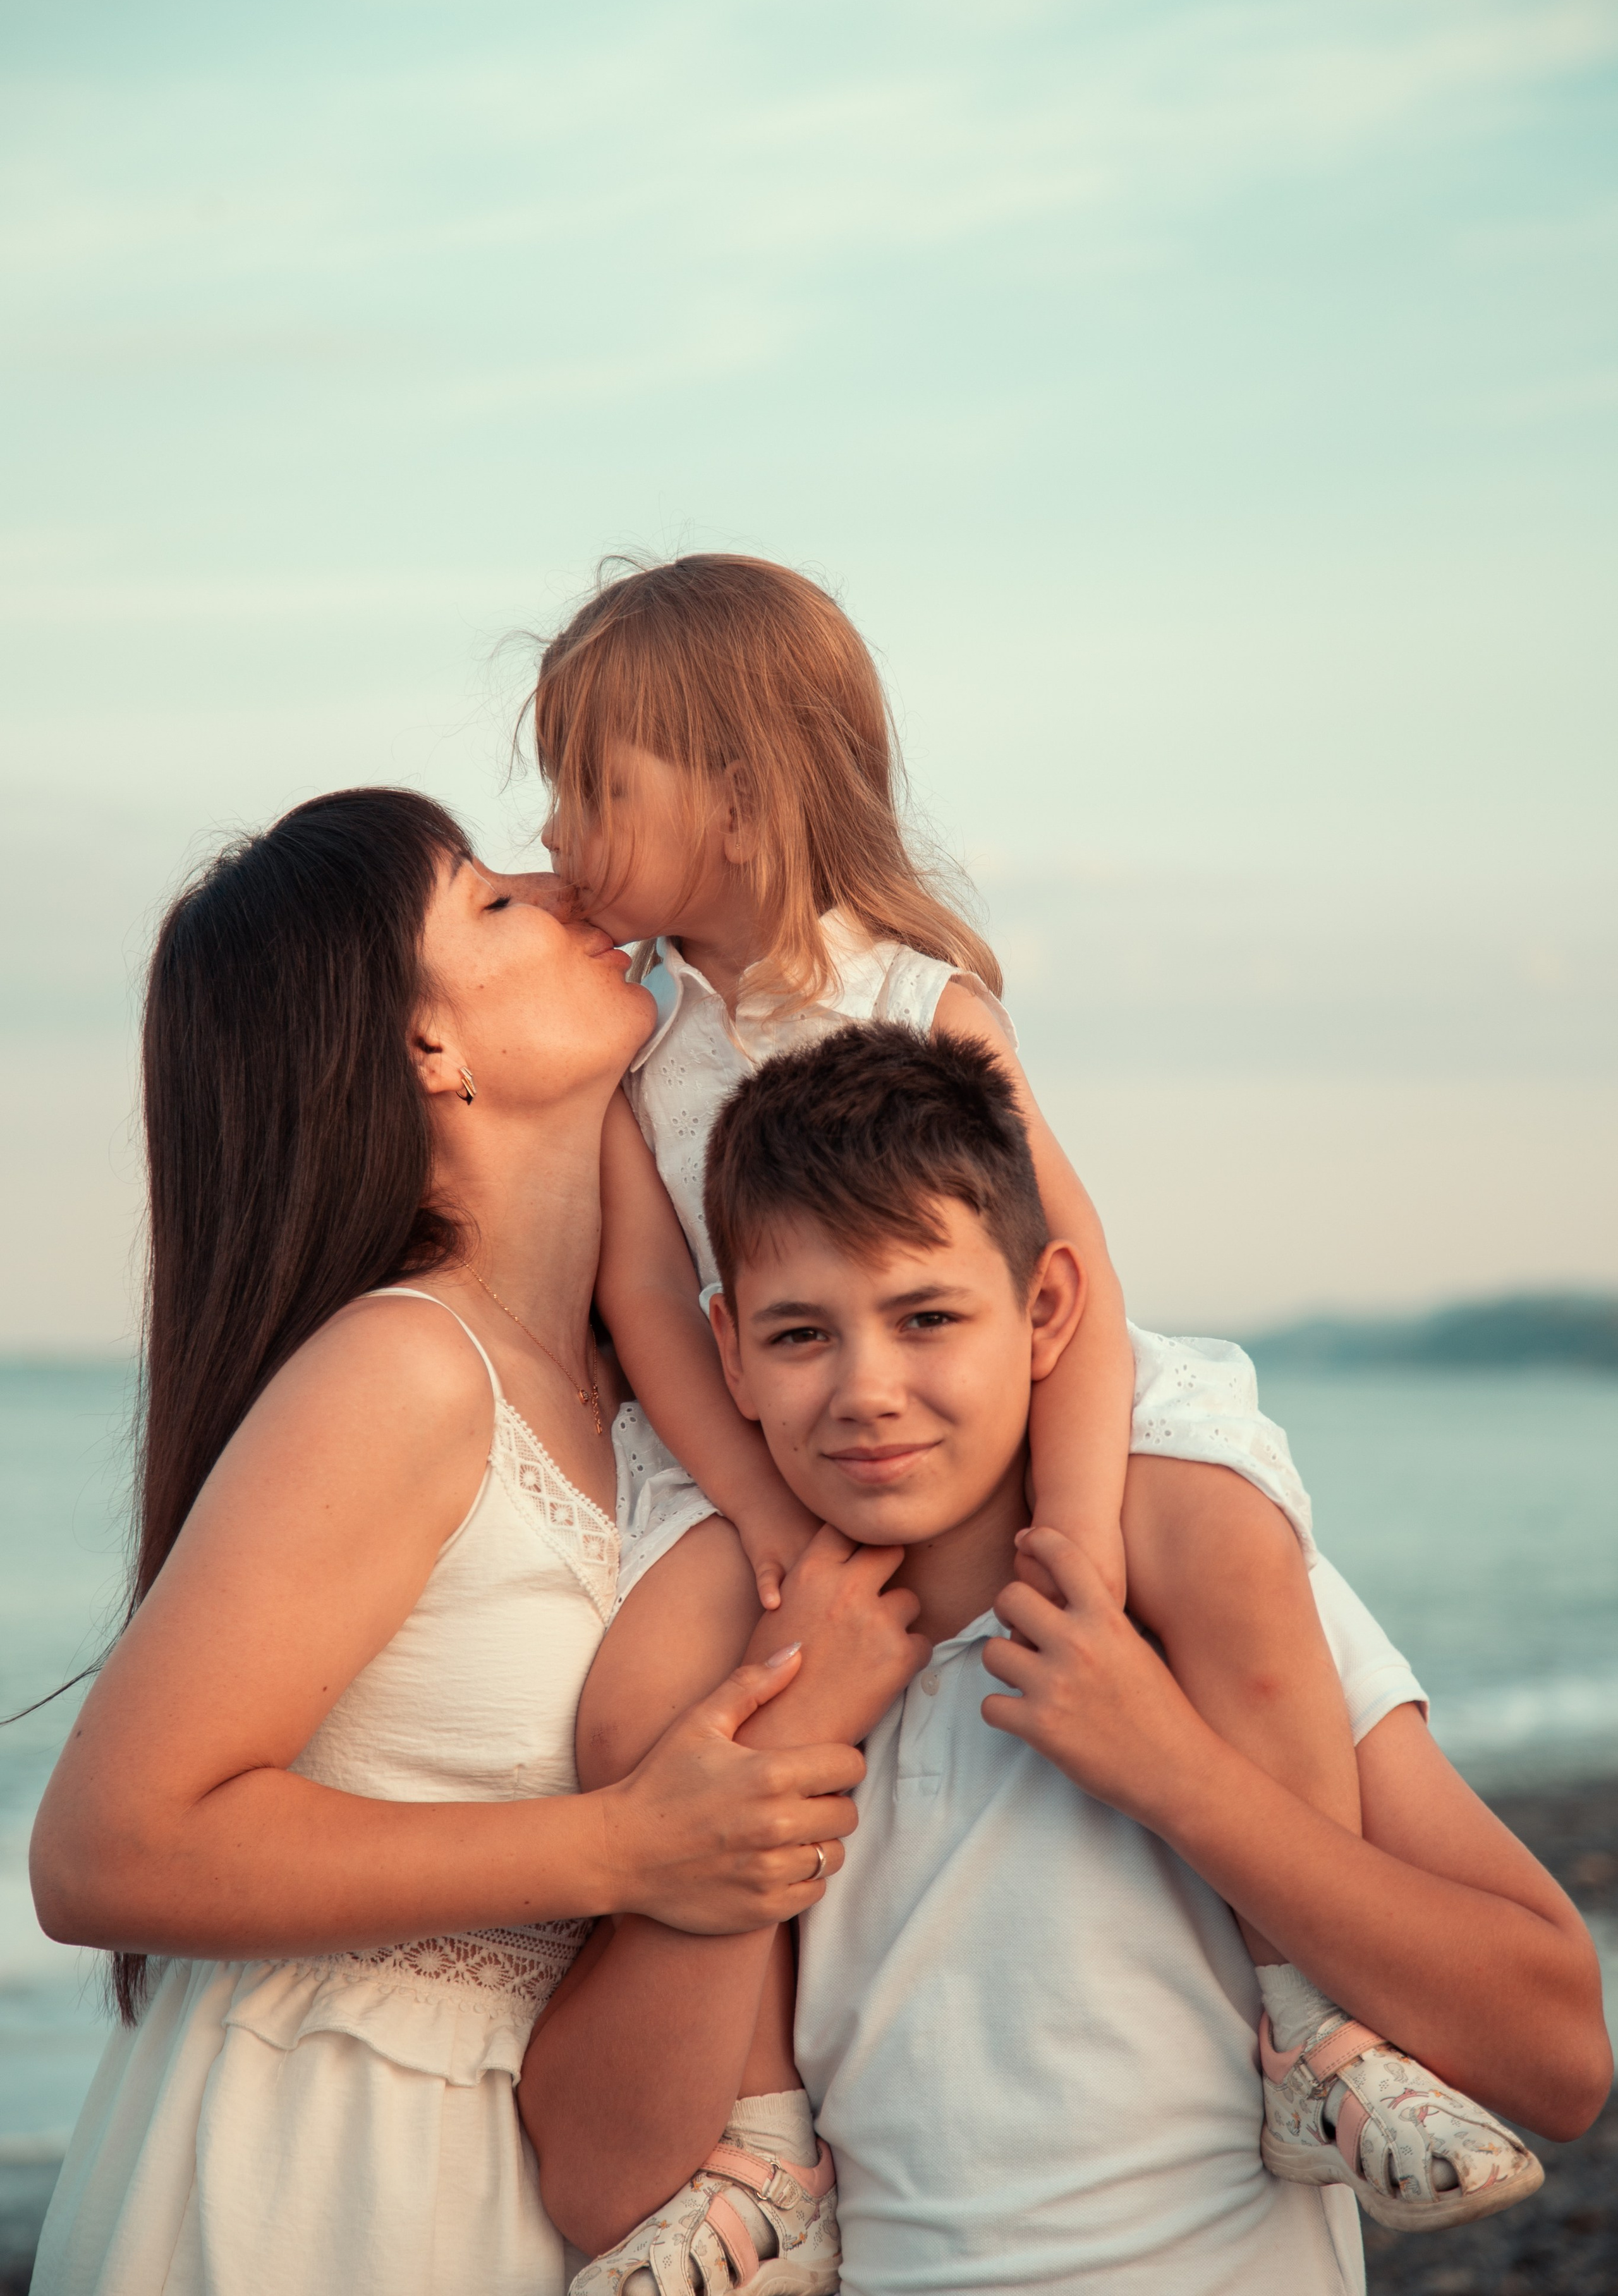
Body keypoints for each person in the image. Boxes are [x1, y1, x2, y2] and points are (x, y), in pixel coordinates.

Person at [525, 549, 1549, 2202]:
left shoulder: (920, 995)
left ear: (731, 795)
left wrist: (1072, 1536)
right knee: (645, 1699)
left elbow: (1079, 1274)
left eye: (590, 786)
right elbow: (653, 1303)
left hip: (1015, 1410)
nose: (555, 835)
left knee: (1222, 1545)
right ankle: (760, 2140)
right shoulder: (634, 1046)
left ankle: (1311, 2030)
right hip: (758, 1430)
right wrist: (765, 1532)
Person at [523, 1024, 1611, 2295]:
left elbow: (1557, 2053)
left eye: (926, 1316)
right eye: (799, 1336)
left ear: (1043, 1310)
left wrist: (1175, 1772)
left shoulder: (1204, 1603)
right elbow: (600, 2182)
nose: (867, 1388)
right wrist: (787, 1741)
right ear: (728, 1355)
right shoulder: (735, 1683)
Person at [27, 787, 862, 2296]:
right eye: (490, 900)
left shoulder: (651, 1409)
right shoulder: (403, 1370)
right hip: (329, 2175)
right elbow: (105, 1850)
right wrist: (622, 1845)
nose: (568, 887)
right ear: (428, 1051)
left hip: (548, 2168)